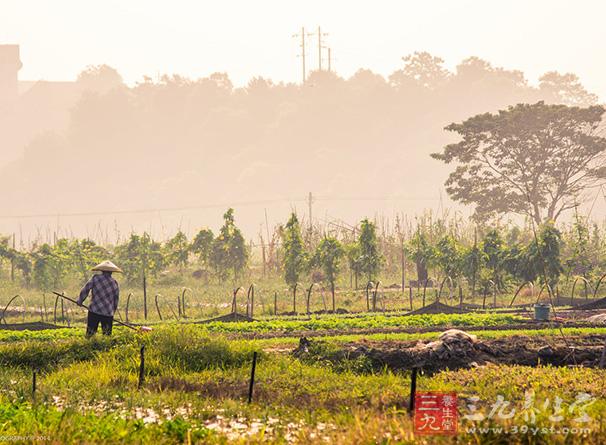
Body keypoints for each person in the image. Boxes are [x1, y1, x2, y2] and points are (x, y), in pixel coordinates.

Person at [77, 260, 122, 337]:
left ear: (102, 270)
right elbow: (116, 299)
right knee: (107, 335)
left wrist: (80, 300)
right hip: (107, 313)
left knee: (90, 334)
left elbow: (86, 289)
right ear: (111, 272)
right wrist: (112, 312)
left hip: (94, 310)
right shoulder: (114, 283)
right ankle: (105, 348)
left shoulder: (95, 278)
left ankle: (89, 347)